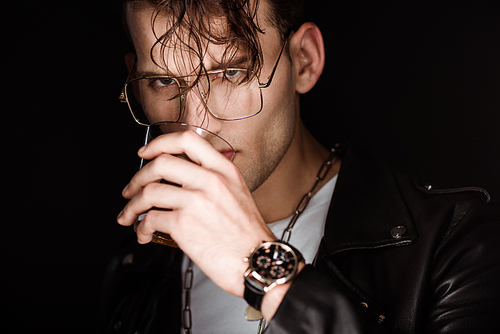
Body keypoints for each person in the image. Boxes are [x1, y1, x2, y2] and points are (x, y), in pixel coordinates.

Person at [101, 0, 500, 333]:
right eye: (164, 82)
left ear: (304, 61)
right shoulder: (139, 266)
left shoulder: (452, 244)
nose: (197, 125)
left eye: (231, 73)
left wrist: (266, 267)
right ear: (135, 80)